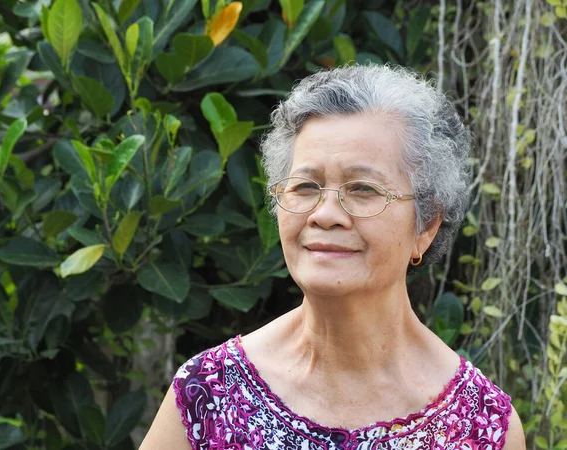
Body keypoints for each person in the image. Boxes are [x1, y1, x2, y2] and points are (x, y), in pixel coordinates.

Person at [139, 65, 526, 449]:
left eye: (362, 189)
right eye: (305, 186)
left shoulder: (482, 427)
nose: (324, 214)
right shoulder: (208, 396)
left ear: (425, 225)